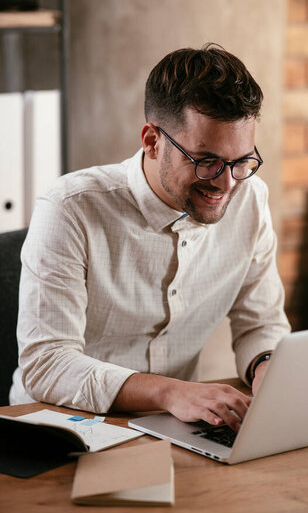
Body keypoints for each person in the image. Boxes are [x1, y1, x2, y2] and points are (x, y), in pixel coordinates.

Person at [10, 44, 290, 433]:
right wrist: (170, 392)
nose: (226, 183)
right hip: (56, 428)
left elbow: (261, 323)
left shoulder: (250, 199)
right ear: (152, 141)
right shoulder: (70, 208)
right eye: (206, 160)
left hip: (175, 426)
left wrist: (266, 368)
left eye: (240, 161)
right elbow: (47, 363)